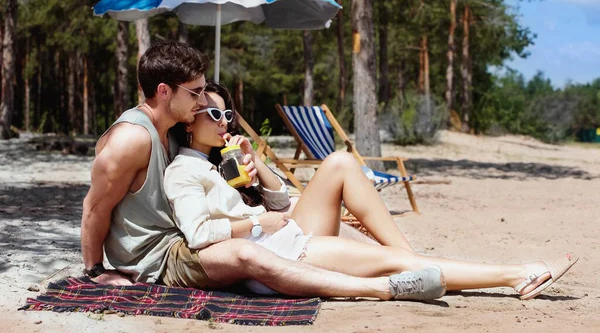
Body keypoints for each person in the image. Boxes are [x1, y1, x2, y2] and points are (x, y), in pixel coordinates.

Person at [80, 40, 445, 301]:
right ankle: (387, 286)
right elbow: (94, 208)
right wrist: (96, 271)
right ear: (163, 91)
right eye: (195, 92)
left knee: (321, 222)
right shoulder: (131, 139)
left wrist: (248, 163)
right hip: (157, 258)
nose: (202, 100)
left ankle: (415, 266)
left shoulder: (174, 131)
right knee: (252, 254)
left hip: (183, 242)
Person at [162, 80, 578, 301]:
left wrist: (260, 168)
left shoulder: (224, 161)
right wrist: (256, 219)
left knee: (340, 162)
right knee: (391, 263)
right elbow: (199, 234)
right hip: (284, 253)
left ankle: (416, 262)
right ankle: (518, 275)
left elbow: (285, 203)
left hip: (285, 232)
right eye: (213, 113)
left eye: (228, 113)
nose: (225, 122)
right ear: (187, 122)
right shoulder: (184, 170)